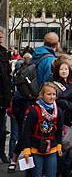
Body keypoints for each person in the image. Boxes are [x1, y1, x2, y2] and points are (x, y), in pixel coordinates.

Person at [22, 82, 63, 177]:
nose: (52, 97)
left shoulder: (58, 111)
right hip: (36, 148)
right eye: (49, 94)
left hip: (52, 147)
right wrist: (27, 150)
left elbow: (59, 130)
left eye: (54, 94)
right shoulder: (34, 111)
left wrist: (59, 145)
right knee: (37, 174)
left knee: (52, 174)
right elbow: (26, 132)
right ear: (42, 95)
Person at [0, 26, 11, 163]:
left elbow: (7, 76)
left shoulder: (4, 52)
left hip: (2, 97)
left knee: (2, 129)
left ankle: (1, 152)